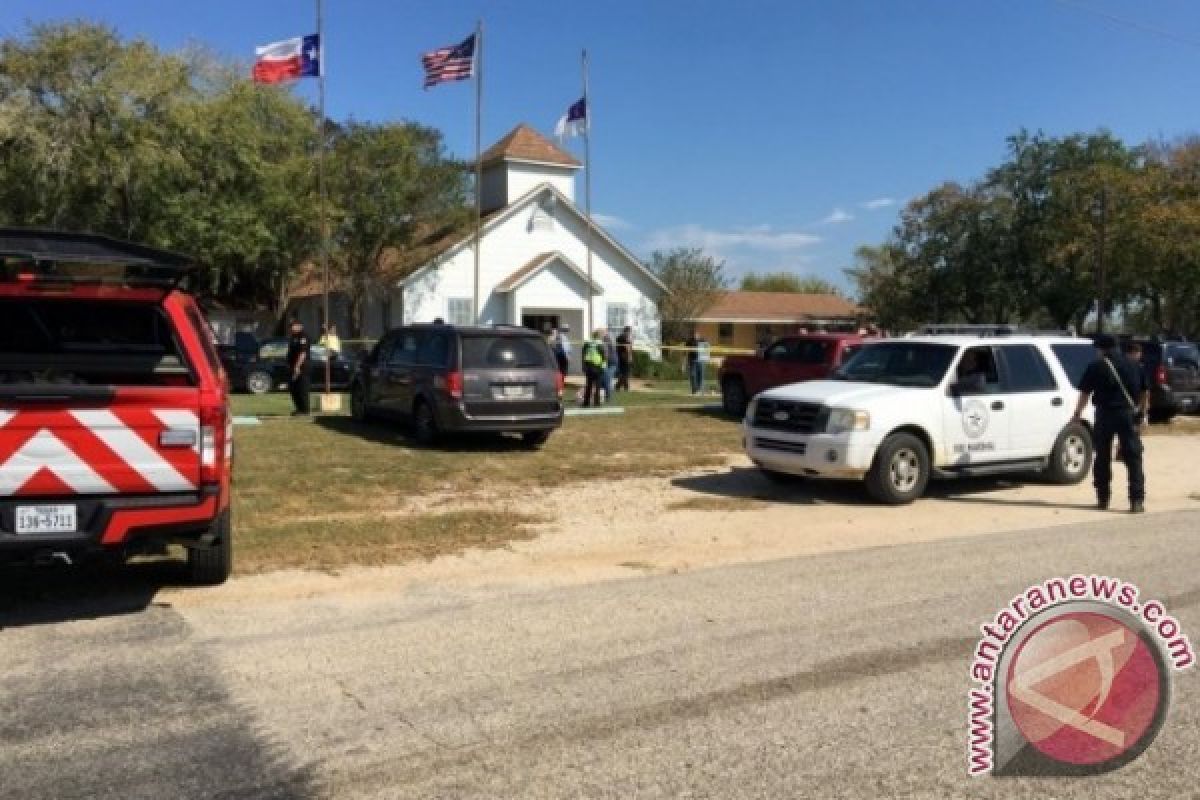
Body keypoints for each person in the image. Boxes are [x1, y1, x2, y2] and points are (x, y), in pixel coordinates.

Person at [1071, 333, 1149, 512]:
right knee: (1134, 458)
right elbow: (1145, 391)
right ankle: (1136, 501)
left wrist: (1077, 413)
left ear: (1102, 349)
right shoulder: (1134, 365)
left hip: (1104, 415)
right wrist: (1142, 413)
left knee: (1102, 458)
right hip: (1127, 415)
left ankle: (1103, 499)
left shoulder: (1095, 367)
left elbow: (1085, 393)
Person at [286, 318, 311, 416]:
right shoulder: (293, 336)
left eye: (293, 326)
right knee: (293, 388)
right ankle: (299, 408)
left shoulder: (303, 336)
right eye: (290, 326)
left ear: (299, 326)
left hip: (302, 366)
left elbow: (303, 353)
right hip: (292, 366)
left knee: (302, 388)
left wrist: (297, 366)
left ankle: (305, 410)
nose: (291, 328)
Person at [581, 329, 606, 407]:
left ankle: (586, 402)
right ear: (599, 336)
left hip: (588, 366)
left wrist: (583, 366)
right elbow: (604, 356)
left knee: (589, 385)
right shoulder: (600, 344)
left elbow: (583, 355)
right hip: (597, 366)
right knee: (597, 385)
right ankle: (596, 402)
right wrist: (603, 367)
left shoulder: (587, 343)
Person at [600, 331, 617, 402]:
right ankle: (601, 396)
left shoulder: (609, 344)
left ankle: (607, 397)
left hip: (611, 363)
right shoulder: (606, 344)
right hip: (608, 363)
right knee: (603, 379)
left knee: (606, 379)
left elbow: (606, 355)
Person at [615, 326, 633, 391]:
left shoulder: (618, 337)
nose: (630, 333)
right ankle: (621, 386)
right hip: (625, 357)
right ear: (628, 331)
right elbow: (627, 347)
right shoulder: (626, 337)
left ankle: (622, 386)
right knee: (626, 373)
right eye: (630, 331)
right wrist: (629, 356)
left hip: (620, 357)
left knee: (623, 372)